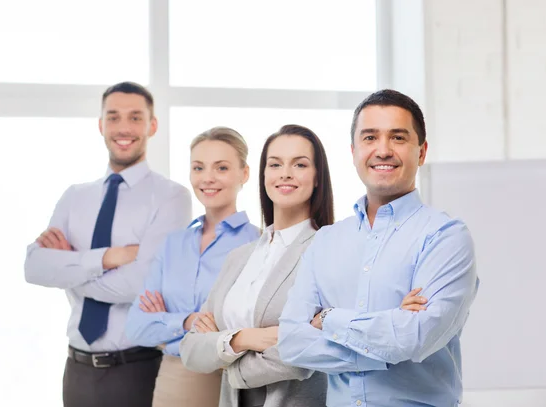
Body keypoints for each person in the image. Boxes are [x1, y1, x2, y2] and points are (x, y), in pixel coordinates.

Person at [277, 89, 479, 407]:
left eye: (398, 138)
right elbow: (291, 343)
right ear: (354, 150)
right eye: (370, 138)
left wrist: (327, 318)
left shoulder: (445, 237)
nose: (382, 150)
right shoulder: (326, 241)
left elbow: (415, 339)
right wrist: (388, 329)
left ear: (422, 151)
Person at [24, 82, 192, 407]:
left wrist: (69, 270)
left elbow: (141, 284)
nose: (123, 128)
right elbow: (33, 267)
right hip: (76, 369)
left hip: (135, 369)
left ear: (152, 125)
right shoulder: (75, 197)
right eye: (113, 117)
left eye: (135, 117)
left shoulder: (171, 197)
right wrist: (110, 257)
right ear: (101, 125)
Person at [179, 124, 334, 407]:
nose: (285, 173)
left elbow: (304, 355)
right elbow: (190, 349)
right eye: (275, 164)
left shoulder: (327, 250)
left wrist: (227, 363)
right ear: (264, 175)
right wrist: (243, 339)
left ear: (317, 179)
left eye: (299, 164)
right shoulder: (239, 257)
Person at [125, 127, 260, 407]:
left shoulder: (258, 243)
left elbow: (250, 326)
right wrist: (188, 321)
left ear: (244, 174)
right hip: (173, 380)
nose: (208, 178)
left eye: (221, 168)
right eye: (198, 167)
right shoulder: (173, 244)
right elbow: (136, 327)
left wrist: (165, 321)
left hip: (231, 379)